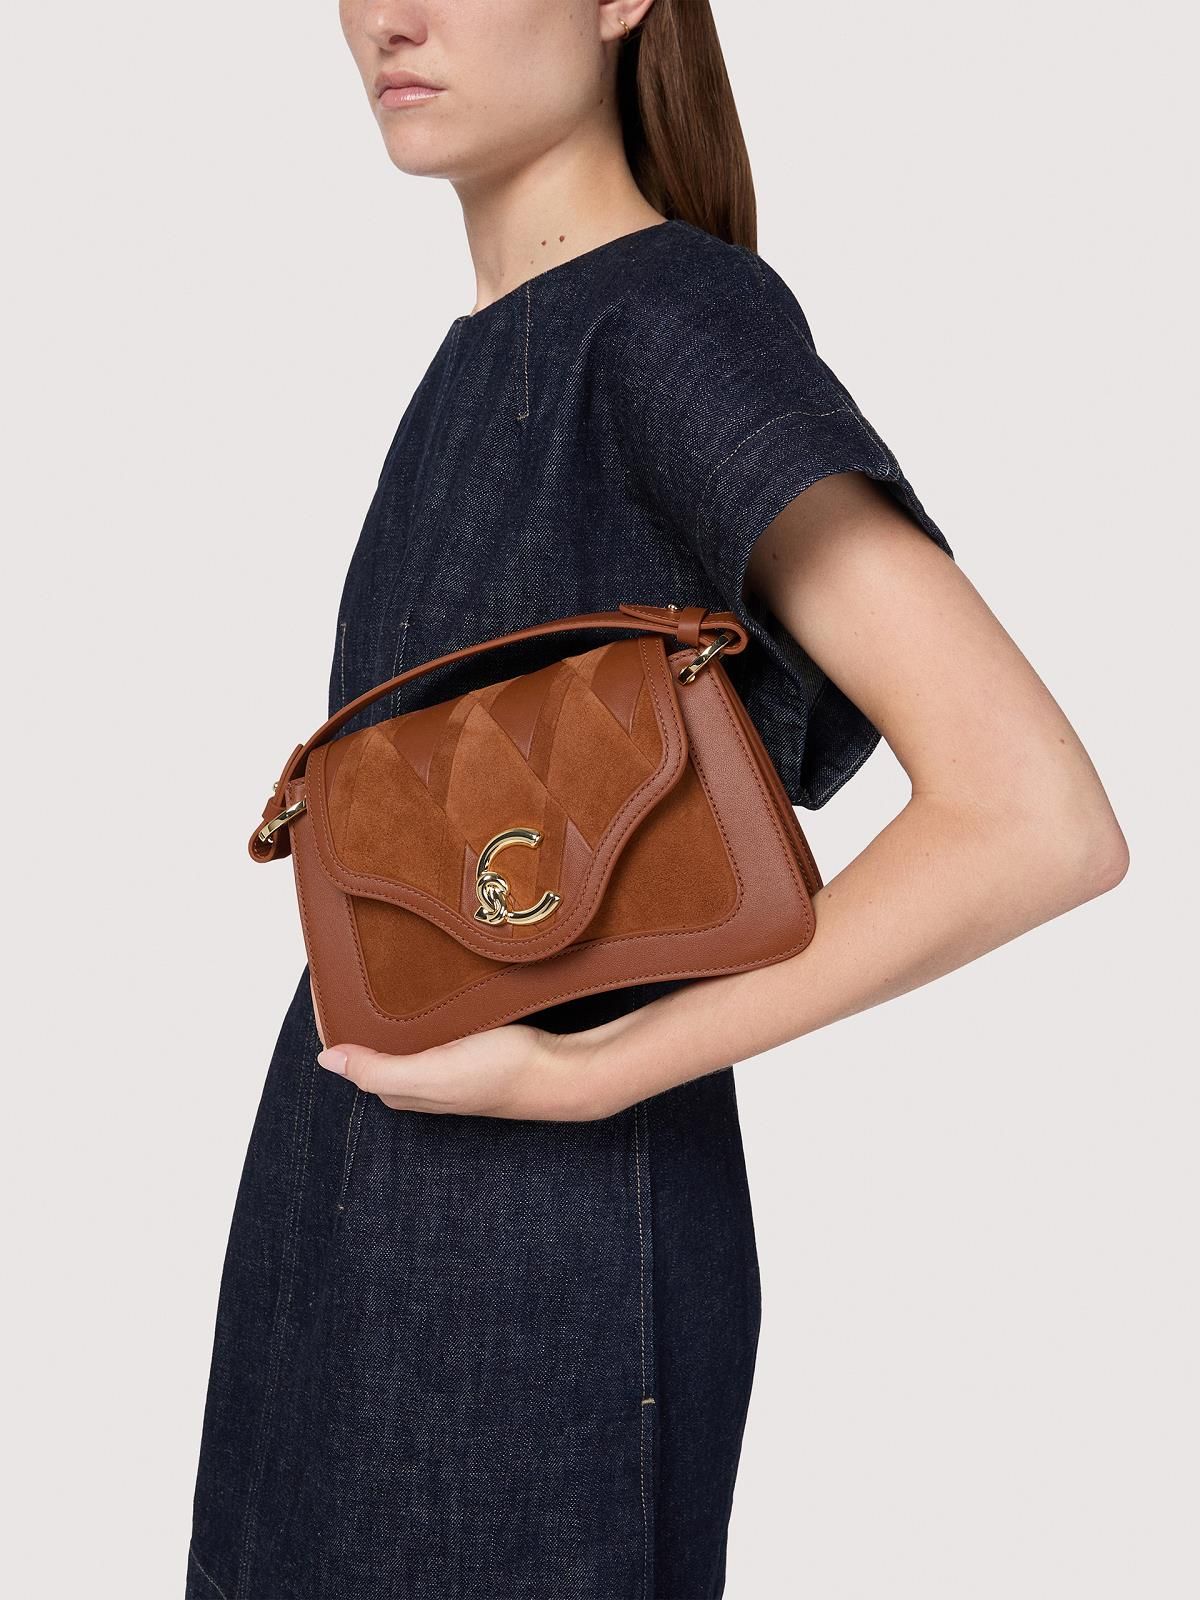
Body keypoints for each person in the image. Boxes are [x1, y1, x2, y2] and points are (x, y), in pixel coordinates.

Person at [185, 3, 1129, 1597]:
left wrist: (589, 1074)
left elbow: (1034, 815)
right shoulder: (502, 350)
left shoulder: (664, 325)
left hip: (530, 1285)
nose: (388, 17)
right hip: (346, 1237)